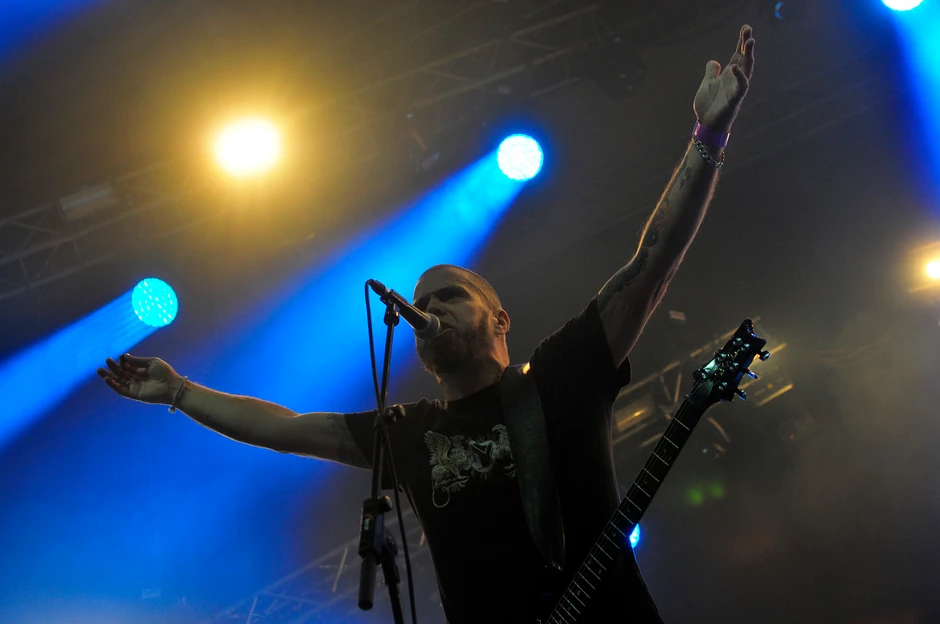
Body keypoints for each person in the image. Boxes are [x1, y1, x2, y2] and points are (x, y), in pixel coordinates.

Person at [98, 25, 756, 623]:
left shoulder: (559, 377)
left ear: (499, 318)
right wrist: (181, 391)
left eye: (449, 297)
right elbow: (285, 428)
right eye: (423, 301)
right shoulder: (409, 433)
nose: (430, 308)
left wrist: (709, 138)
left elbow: (652, 264)